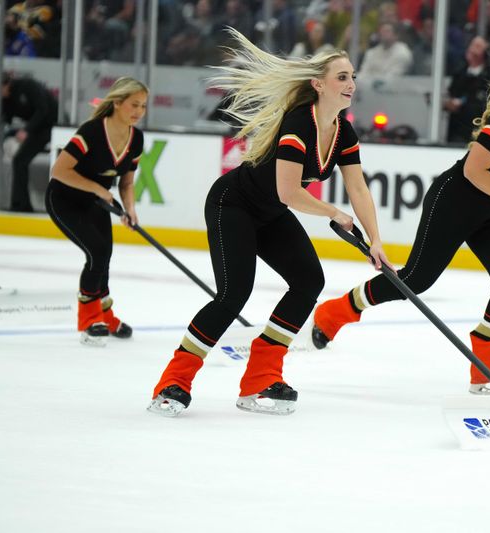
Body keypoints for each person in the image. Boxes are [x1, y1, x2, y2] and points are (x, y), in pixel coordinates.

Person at [148, 29, 391, 417]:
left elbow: (358, 187)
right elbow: (289, 193)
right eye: (342, 77)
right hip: (234, 205)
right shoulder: (299, 123)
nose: (350, 84)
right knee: (233, 294)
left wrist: (375, 239)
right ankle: (173, 382)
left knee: (309, 280)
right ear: (318, 84)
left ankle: (261, 377)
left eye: (353, 77)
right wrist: (333, 213)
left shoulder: (343, 131)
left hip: (270, 213)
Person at [311, 59, 490, 395]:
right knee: (414, 281)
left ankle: (487, 364)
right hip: (452, 204)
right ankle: (336, 312)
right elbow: (474, 172)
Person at [46, 77, 147, 345]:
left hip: (95, 203)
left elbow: (126, 182)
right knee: (97, 252)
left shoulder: (136, 138)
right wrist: (98, 189)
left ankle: (105, 315)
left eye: (143, 106)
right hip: (64, 200)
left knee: (104, 257)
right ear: (117, 103)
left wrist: (130, 209)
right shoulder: (91, 132)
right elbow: (58, 171)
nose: (138, 111)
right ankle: (89, 320)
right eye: (134, 104)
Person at [1, 72, 58, 212]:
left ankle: (20, 205)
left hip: (52, 124)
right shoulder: (6, 99)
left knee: (20, 160)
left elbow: (43, 109)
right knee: (20, 161)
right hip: (35, 128)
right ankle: (22, 204)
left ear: (6, 84)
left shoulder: (28, 86)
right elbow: (5, 119)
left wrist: (27, 130)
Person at [444, 36, 490, 144]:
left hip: (480, 130)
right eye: (471, 45)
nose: (472, 50)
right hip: (457, 130)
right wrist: (449, 104)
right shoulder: (459, 73)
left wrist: (465, 104)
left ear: (486, 53)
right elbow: (451, 94)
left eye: (477, 46)